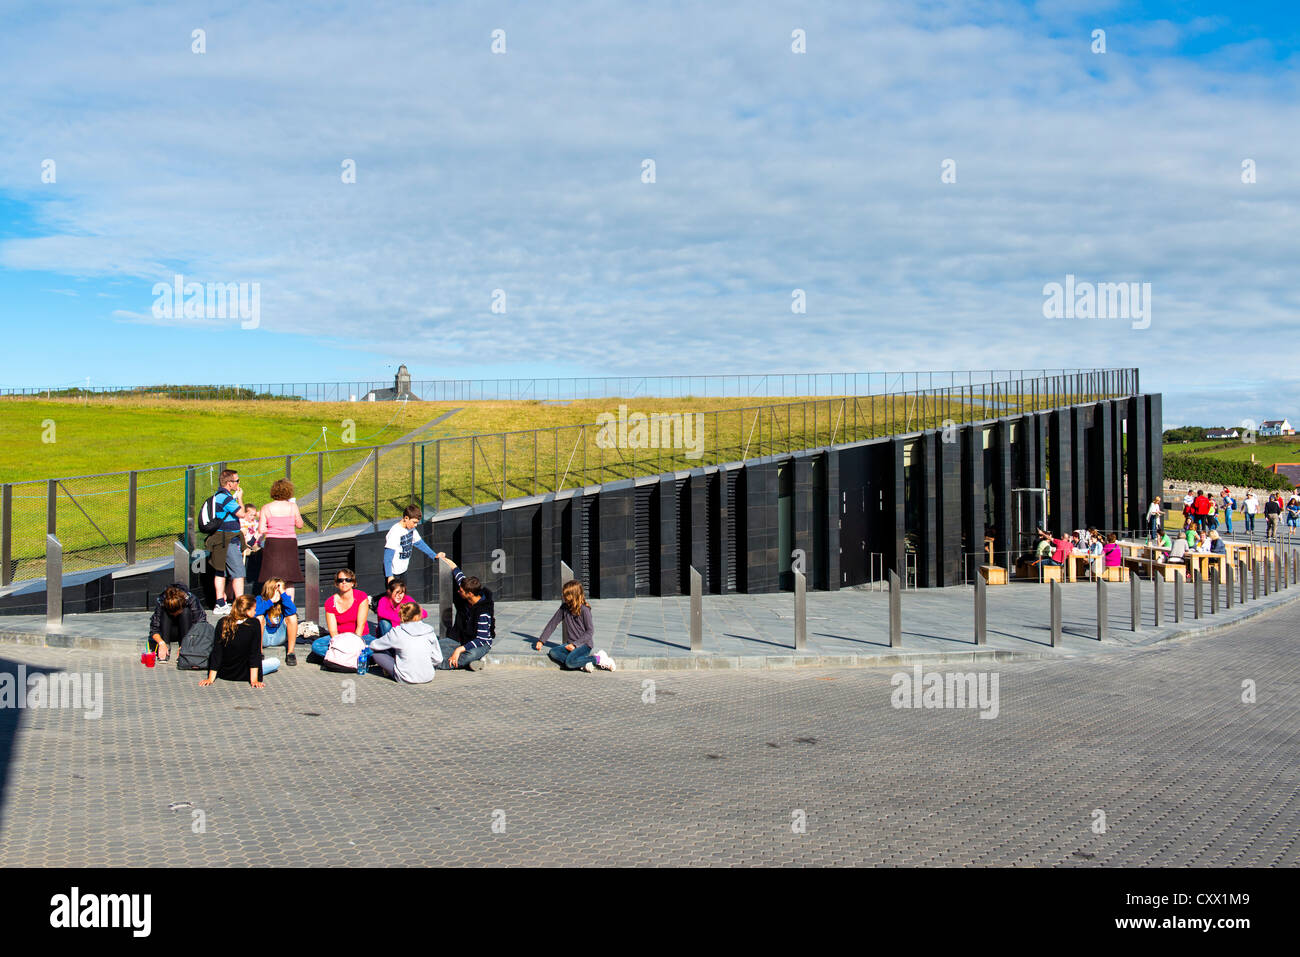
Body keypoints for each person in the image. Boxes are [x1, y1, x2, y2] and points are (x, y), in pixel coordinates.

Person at [533, 579, 616, 672]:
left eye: (566, 595)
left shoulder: (584, 610)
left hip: (584, 645)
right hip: (570, 644)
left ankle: (598, 659)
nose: (563, 597)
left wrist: (575, 645)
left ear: (573, 595)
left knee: (569, 662)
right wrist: (541, 640)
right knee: (553, 652)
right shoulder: (564, 608)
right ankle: (582, 664)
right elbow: (553, 623)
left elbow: (590, 631)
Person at [433, 552, 494, 671]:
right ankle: (469, 663)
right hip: (460, 639)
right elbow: (456, 570)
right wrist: (442, 558)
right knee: (435, 646)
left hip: (480, 644)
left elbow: (481, 639)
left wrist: (459, 650)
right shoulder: (468, 590)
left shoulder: (483, 612)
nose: (458, 592)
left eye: (461, 591)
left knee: (468, 655)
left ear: (469, 594)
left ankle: (439, 665)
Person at [199, 595, 276, 687]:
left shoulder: (222, 622)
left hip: (225, 673)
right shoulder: (254, 623)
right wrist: (254, 680)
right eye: (254, 609)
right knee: (275, 662)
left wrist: (210, 678)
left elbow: (217, 652)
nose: (255, 612)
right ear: (247, 611)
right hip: (246, 674)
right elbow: (255, 653)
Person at [367, 602, 442, 683]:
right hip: (428, 676)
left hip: (405, 677)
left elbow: (374, 645)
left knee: (376, 654)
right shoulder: (429, 631)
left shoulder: (397, 631)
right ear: (418, 616)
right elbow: (438, 659)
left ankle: (391, 670)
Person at [204, 469, 245, 615]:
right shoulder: (226, 498)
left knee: (221, 571)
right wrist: (240, 498)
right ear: (229, 483)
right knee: (238, 572)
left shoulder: (219, 496)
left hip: (219, 538)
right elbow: (242, 513)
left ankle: (220, 603)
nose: (238, 483)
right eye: (237, 481)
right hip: (228, 539)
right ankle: (241, 605)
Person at [258, 480, 304, 602]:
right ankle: (289, 607)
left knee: (272, 576)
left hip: (273, 542)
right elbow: (300, 525)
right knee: (289, 578)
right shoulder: (292, 507)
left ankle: (272, 606)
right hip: (289, 542)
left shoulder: (266, 508)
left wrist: (273, 528)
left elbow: (261, 529)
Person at [320, 568, 371, 672]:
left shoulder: (361, 597)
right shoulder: (330, 602)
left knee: (376, 646)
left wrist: (353, 645)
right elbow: (333, 631)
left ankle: (339, 658)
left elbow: (360, 626)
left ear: (353, 583)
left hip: (360, 636)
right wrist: (341, 645)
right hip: (340, 638)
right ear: (336, 583)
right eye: (340, 580)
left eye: (347, 580)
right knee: (317, 645)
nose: (344, 582)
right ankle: (350, 658)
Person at [147, 581, 205, 662]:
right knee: (165, 613)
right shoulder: (161, 601)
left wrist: (186, 644)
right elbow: (154, 629)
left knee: (186, 612)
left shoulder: (191, 600)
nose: (174, 615)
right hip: (169, 632)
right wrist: (161, 643)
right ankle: (167, 647)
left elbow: (201, 625)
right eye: (172, 613)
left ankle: (184, 647)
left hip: (188, 632)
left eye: (176, 613)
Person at [383, 504, 439, 583]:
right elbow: (388, 556)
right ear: (406, 518)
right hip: (394, 573)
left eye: (417, 523)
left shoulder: (411, 530)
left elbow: (420, 543)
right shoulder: (395, 532)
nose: (415, 525)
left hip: (403, 570)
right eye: (414, 522)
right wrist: (389, 576)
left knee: (404, 594)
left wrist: (434, 555)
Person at [255, 577, 299, 666]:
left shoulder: (284, 600)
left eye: (282, 589)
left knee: (293, 617)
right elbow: (255, 613)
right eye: (278, 589)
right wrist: (270, 601)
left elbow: (293, 610)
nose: (280, 592)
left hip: (279, 636)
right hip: (264, 637)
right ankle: (259, 653)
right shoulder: (260, 599)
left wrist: (283, 594)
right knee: (259, 618)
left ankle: (290, 653)